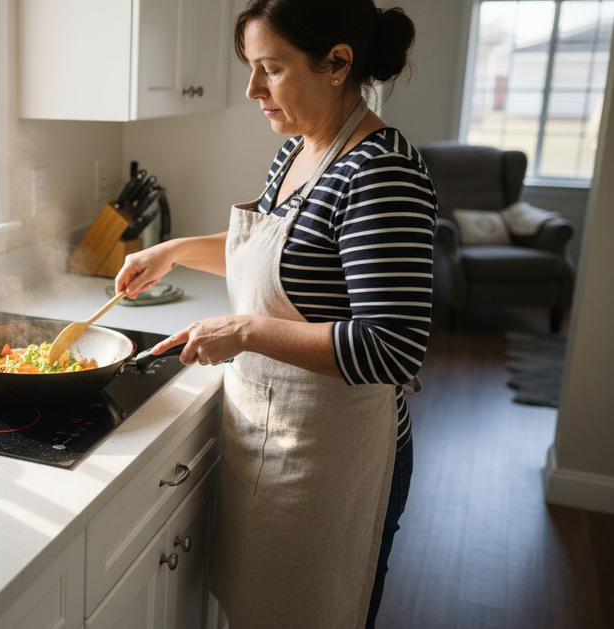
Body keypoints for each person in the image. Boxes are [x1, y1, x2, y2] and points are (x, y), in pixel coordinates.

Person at [114, 1, 435, 626]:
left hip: (334, 461)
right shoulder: (298, 150)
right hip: (271, 437)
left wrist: (244, 331)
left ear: (337, 64)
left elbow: (392, 347)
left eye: (272, 69)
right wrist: (172, 251)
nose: (252, 89)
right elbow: (282, 256)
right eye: (251, 67)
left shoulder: (381, 173)